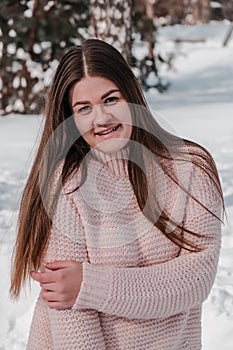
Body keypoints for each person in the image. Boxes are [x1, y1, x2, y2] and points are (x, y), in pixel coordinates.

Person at [10, 39, 224, 350]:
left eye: (110, 99)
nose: (101, 119)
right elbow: (69, 315)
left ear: (131, 94)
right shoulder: (65, 185)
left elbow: (195, 279)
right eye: (84, 108)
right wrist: (77, 289)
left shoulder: (190, 168)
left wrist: (88, 284)